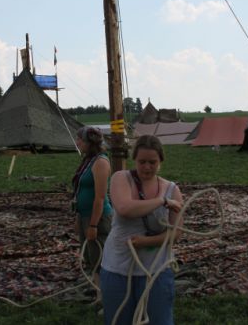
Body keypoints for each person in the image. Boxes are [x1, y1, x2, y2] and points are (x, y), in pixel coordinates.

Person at [100, 135, 183, 325]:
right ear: (134, 160)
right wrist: (161, 201)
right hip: (117, 268)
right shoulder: (121, 178)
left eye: (152, 162)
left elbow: (176, 233)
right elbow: (125, 208)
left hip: (157, 270)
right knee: (119, 320)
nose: (146, 167)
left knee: (159, 321)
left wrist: (147, 242)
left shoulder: (172, 190)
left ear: (161, 161)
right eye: (142, 162)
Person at [72, 126, 112, 300]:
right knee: (90, 257)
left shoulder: (100, 162)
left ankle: (106, 298)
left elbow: (100, 197)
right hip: (85, 215)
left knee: (99, 257)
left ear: (89, 142)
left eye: (80, 140)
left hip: (97, 218)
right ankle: (98, 293)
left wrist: (93, 225)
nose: (77, 143)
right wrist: (79, 218)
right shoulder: (88, 161)